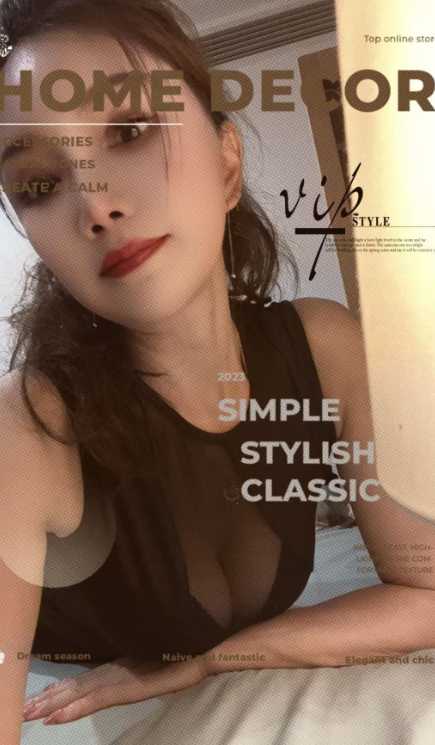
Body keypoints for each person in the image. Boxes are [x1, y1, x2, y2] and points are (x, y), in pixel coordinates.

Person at [0, 0, 434, 737]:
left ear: (227, 164)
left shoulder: (324, 346)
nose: (96, 205)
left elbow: (426, 590)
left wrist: (211, 662)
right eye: (39, 184)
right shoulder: (30, 426)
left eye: (131, 131)